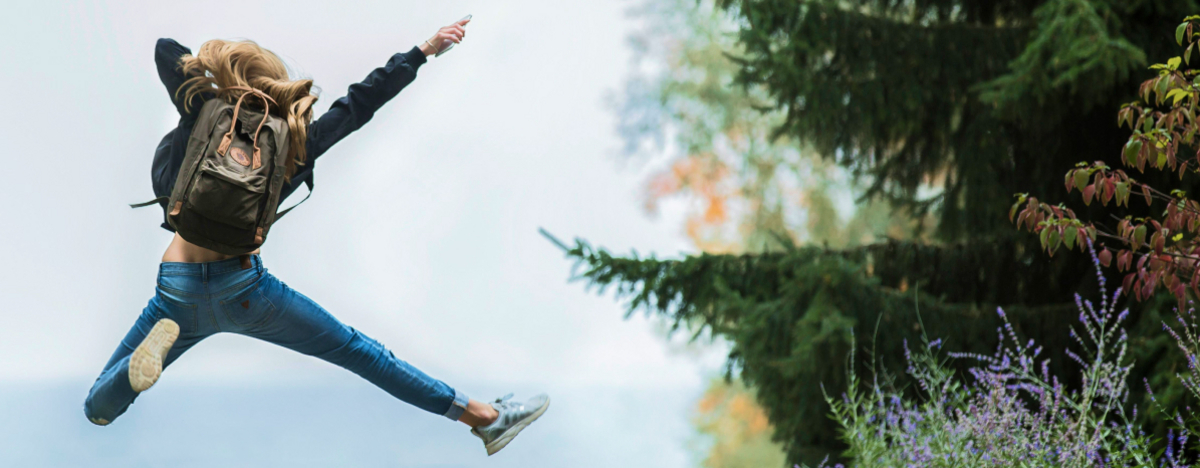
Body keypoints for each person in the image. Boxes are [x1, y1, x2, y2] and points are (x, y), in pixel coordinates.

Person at [83, 18, 549, 457]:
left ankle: (129, 379)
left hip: (177, 289)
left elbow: (166, 50)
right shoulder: (292, 142)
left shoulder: (203, 112)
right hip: (245, 291)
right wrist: (422, 51)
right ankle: (484, 418)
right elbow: (359, 105)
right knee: (361, 353)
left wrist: (218, 81)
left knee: (97, 407)